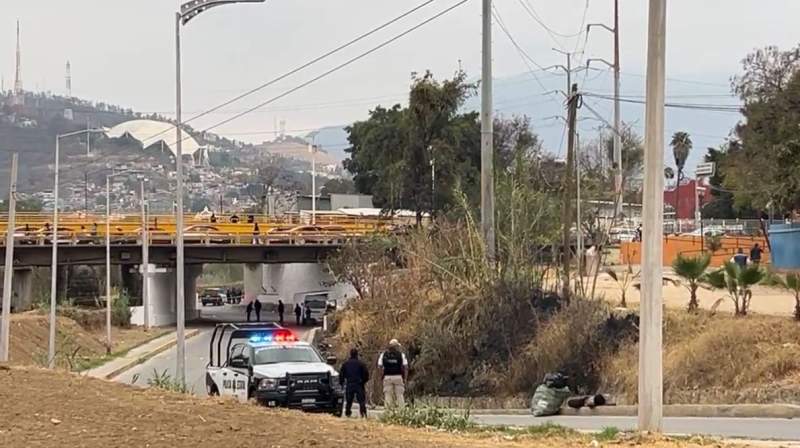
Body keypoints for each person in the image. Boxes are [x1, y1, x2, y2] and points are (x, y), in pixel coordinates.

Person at [339, 348, 370, 418]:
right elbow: (366, 374)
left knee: (349, 400)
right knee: (361, 401)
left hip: (350, 383)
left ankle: (347, 413)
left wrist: (342, 383)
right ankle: (363, 413)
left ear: (350, 354)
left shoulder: (345, 364)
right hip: (359, 384)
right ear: (357, 354)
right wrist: (363, 381)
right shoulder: (361, 364)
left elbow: (341, 374)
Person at [378, 339, 407, 408]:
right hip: (398, 376)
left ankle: (388, 413)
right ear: (396, 346)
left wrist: (381, 376)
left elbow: (379, 366)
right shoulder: (401, 355)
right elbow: (406, 366)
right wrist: (405, 378)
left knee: (388, 395)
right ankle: (402, 412)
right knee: (400, 395)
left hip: (387, 377)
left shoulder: (383, 355)